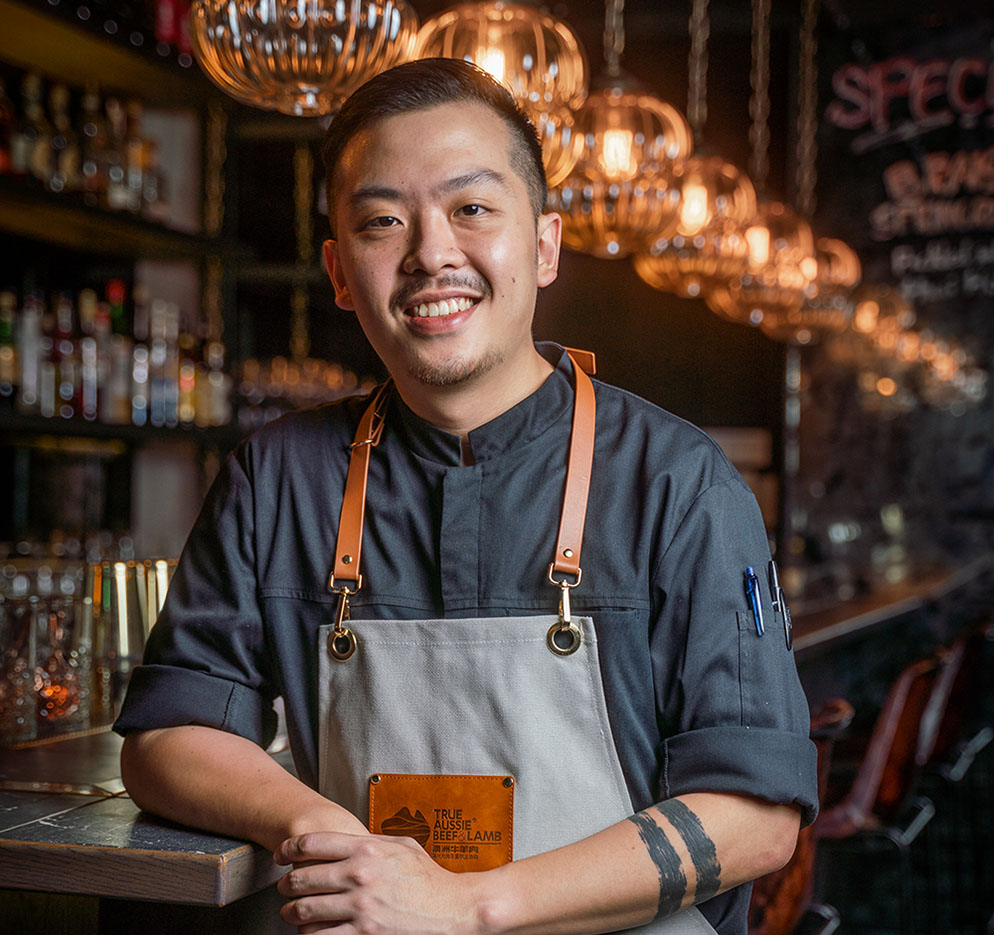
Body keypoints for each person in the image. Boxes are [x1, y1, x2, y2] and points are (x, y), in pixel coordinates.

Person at [115, 57, 818, 935]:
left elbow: (757, 817)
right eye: (382, 221)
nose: (431, 253)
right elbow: (165, 738)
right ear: (339, 272)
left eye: (472, 208)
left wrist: (464, 905)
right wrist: (325, 829)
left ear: (545, 245)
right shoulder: (279, 475)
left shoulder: (679, 483)